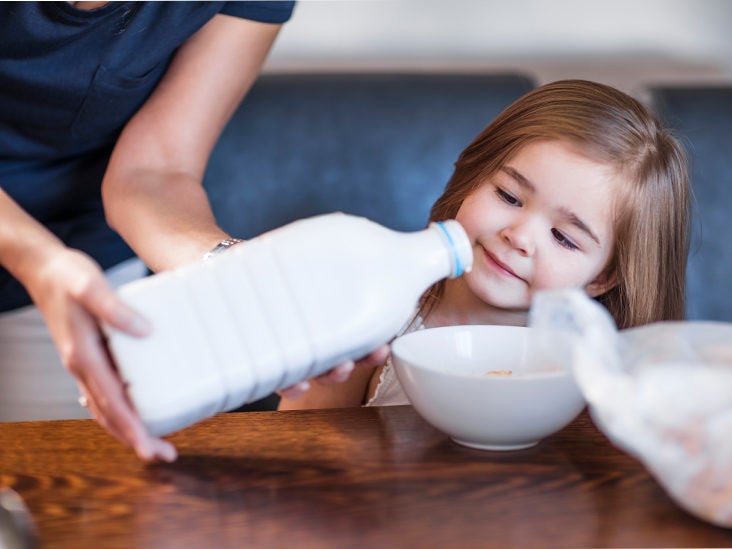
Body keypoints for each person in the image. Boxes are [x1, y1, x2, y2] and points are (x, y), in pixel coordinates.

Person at [0, 1, 387, 463]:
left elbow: (153, 174)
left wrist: (230, 273)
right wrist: (37, 260)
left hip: (79, 252)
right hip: (44, 259)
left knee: (60, 487)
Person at [278, 79, 691, 410]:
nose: (520, 236)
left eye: (564, 238)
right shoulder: (379, 316)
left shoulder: (590, 372)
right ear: (471, 179)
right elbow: (303, 440)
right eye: (509, 197)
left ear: (602, 277)